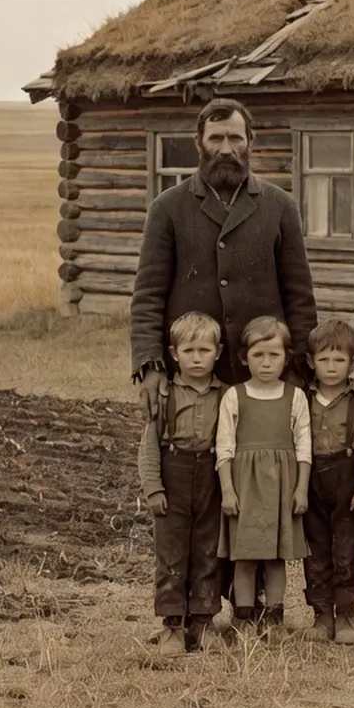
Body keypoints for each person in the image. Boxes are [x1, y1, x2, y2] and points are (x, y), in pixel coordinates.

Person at [130, 97, 318, 615]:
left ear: (251, 143)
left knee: (257, 485)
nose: (227, 149)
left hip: (260, 380)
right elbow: (147, 295)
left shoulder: (279, 206)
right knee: (201, 493)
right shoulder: (167, 209)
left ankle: (253, 604)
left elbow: (300, 296)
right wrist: (149, 365)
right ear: (199, 145)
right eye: (217, 139)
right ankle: (194, 605)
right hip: (196, 383)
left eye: (236, 138)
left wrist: (298, 371)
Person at [136, 311, 225, 657]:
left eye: (204, 350)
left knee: (208, 550)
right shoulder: (165, 395)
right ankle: (172, 624)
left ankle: (202, 622)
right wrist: (154, 489)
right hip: (174, 474)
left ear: (217, 352)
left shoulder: (227, 395)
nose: (197, 358)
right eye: (189, 351)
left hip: (211, 476)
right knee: (171, 553)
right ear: (174, 354)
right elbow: (148, 447)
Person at [215, 315, 311, 636]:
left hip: (282, 489)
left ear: (287, 357)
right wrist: (228, 491)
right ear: (245, 358)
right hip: (245, 489)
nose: (267, 363)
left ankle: (273, 619)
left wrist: (301, 490)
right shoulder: (234, 396)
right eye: (258, 355)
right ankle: (243, 619)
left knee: (275, 559)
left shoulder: (294, 397)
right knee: (244, 558)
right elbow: (224, 448)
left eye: (274, 355)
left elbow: (304, 448)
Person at [301, 318, 354, 645]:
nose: (331, 368)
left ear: (352, 363)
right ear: (310, 362)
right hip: (311, 483)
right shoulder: (302, 401)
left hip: (348, 483)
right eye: (324, 360)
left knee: (345, 550)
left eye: (339, 360)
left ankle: (346, 613)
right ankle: (321, 615)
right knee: (316, 551)